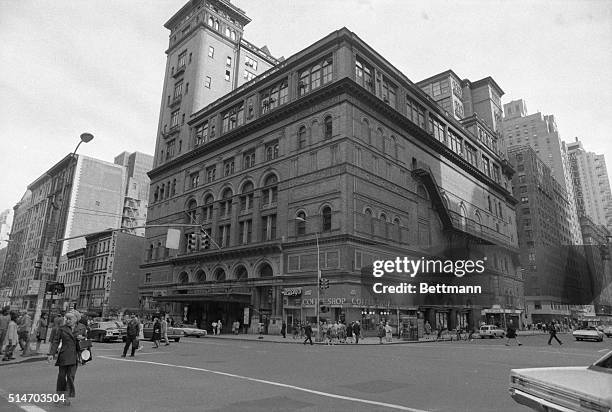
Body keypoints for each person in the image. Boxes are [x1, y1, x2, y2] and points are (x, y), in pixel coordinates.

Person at [47, 310, 87, 406]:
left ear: (76, 319)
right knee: (61, 376)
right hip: (64, 355)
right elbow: (56, 341)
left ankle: (66, 397)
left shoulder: (82, 328)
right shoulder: (62, 328)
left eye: (70, 319)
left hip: (76, 355)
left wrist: (82, 339)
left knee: (70, 377)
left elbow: (86, 341)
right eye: (67, 319)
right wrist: (51, 354)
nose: (68, 320)